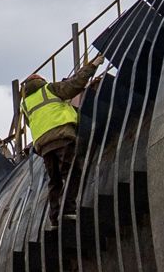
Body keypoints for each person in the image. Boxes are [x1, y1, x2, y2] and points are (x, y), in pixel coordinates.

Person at [19, 59, 104, 194]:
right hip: (61, 136)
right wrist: (93, 66)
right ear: (41, 81)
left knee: (55, 182)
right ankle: (70, 210)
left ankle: (55, 214)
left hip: (43, 146)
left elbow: (32, 123)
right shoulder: (49, 89)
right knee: (71, 173)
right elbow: (74, 85)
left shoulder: (25, 104)